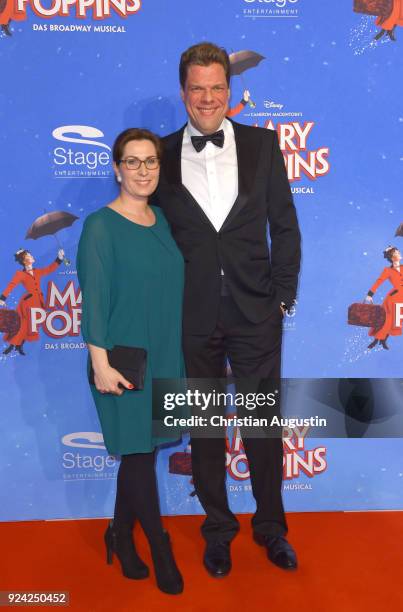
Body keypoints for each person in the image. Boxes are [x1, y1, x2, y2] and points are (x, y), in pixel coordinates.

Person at [154, 42, 301, 577]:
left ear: (230, 91)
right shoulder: (161, 155)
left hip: (255, 312)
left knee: (263, 426)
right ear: (184, 93)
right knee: (206, 428)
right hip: (191, 318)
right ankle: (218, 530)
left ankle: (272, 529)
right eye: (198, 88)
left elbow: (284, 226)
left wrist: (281, 297)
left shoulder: (263, 147)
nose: (208, 98)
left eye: (218, 87)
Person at [76, 128, 185, 595]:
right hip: (122, 360)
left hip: (164, 353)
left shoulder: (162, 219)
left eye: (151, 162)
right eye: (133, 161)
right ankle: (159, 547)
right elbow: (94, 301)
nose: (143, 171)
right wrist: (99, 362)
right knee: (138, 455)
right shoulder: (100, 225)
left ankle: (119, 533)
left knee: (143, 451)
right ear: (117, 168)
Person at [0, 248, 64, 355]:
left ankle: (18, 345)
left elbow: (49, 269)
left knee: (30, 327)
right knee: (24, 325)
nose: (32, 257)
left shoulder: (37, 271)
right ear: (25, 260)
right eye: (29, 256)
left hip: (38, 303)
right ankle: (13, 346)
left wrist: (59, 258)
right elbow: (12, 285)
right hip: (27, 304)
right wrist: (2, 298)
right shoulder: (20, 274)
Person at [366, 246, 403, 349]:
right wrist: (370, 294)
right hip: (393, 299)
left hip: (402, 300)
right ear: (392, 256)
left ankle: (383, 340)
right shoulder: (388, 270)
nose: (399, 253)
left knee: (395, 322)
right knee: (386, 320)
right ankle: (376, 340)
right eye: (397, 252)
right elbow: (379, 281)